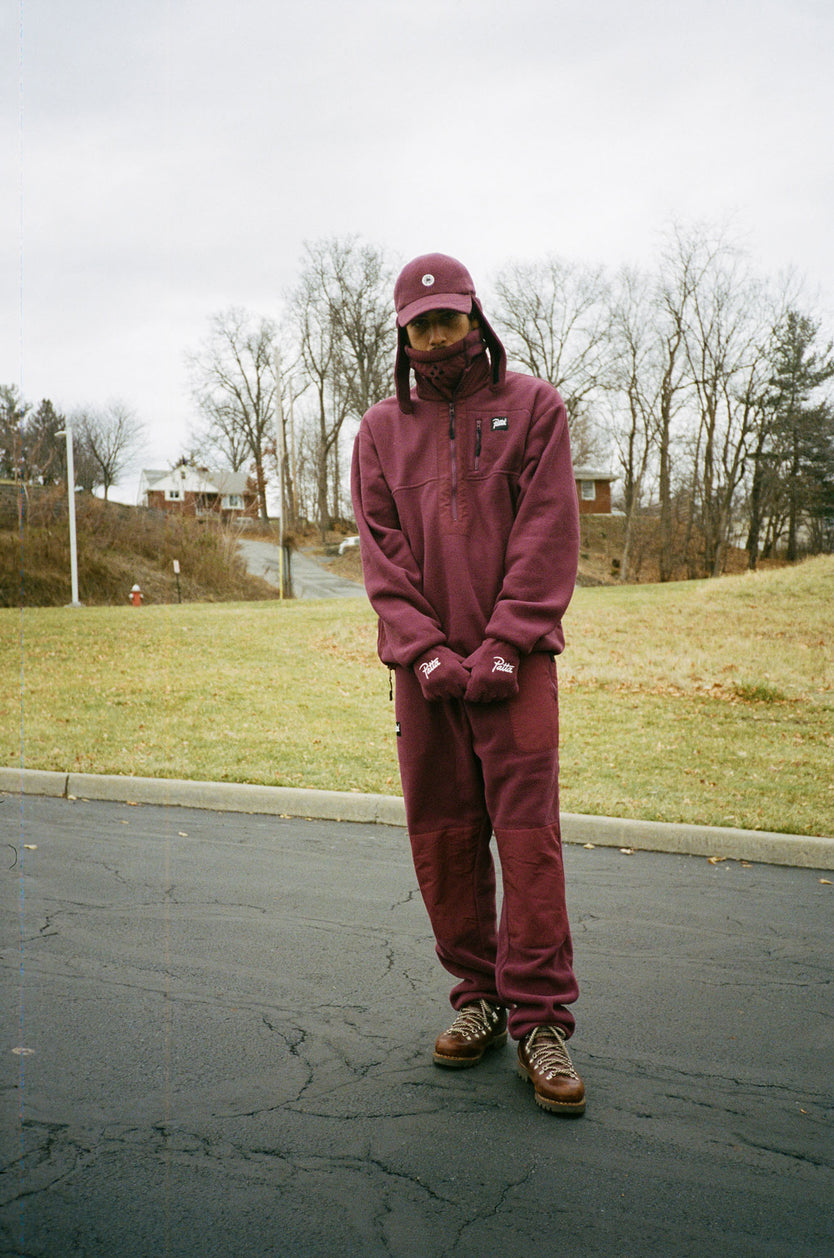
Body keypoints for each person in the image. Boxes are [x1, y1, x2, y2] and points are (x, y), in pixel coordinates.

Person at [350, 253, 584, 1116]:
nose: (437, 335)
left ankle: (541, 1021)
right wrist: (423, 652)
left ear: (476, 317)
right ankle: (479, 997)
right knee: (446, 841)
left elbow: (548, 531)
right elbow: (382, 556)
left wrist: (508, 644)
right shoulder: (380, 431)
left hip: (517, 673)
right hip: (428, 680)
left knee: (527, 843)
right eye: (421, 325)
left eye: (448, 318)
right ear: (403, 337)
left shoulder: (535, 408)